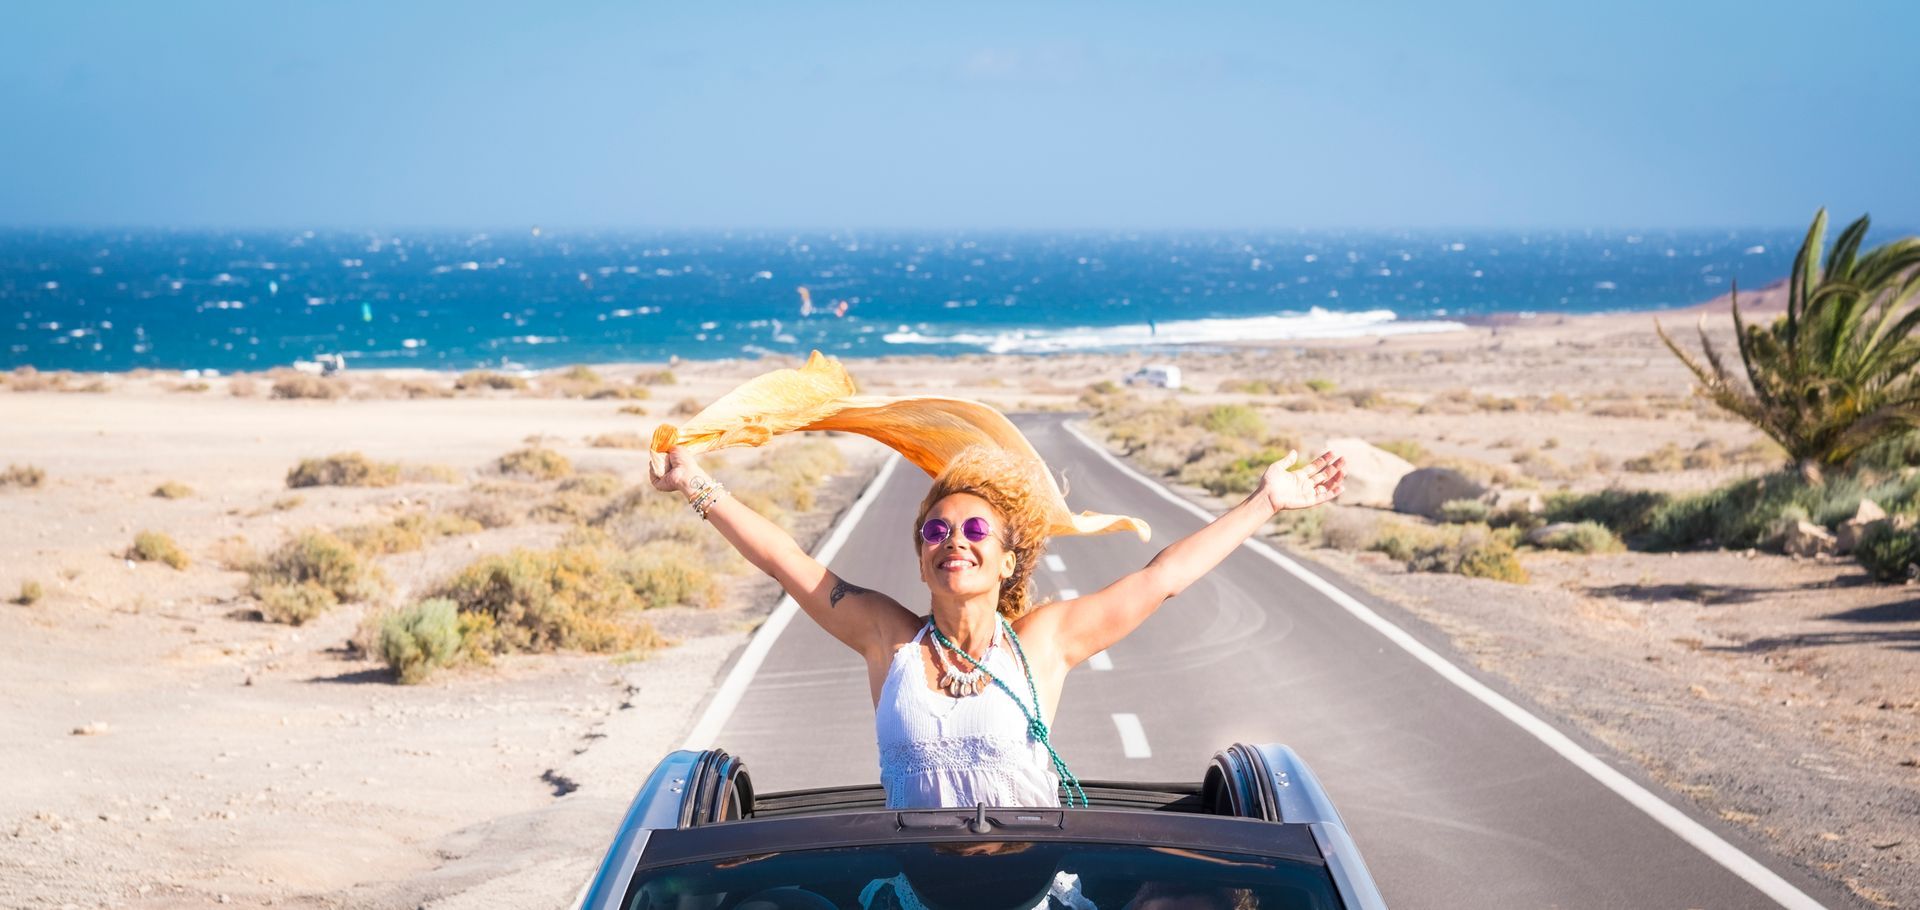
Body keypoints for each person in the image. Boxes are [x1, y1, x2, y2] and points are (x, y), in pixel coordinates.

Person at [649, 441, 1343, 809]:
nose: (955, 538)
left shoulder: (1040, 645)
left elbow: (1160, 579)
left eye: (975, 527)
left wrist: (1266, 504)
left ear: (1009, 559)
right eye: (936, 530)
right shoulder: (887, 640)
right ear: (922, 561)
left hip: (1028, 890)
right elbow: (787, 561)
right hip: (915, 893)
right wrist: (694, 483)